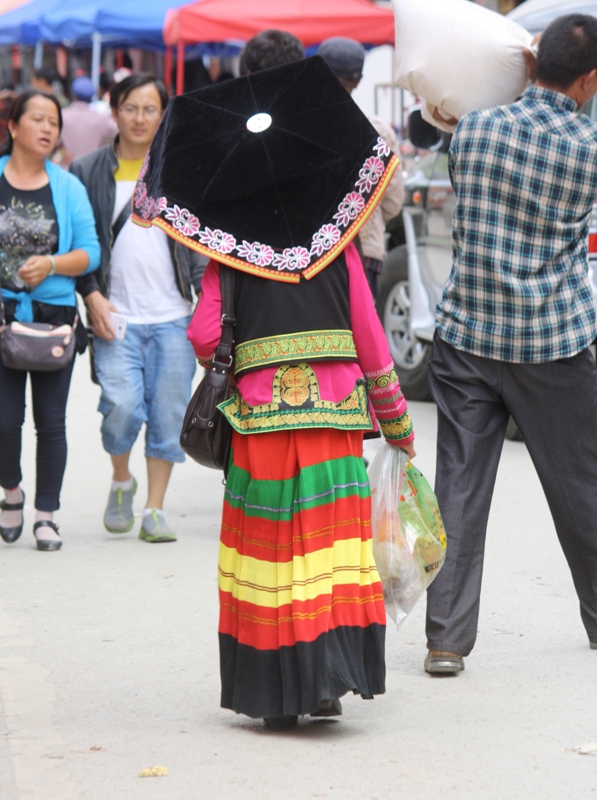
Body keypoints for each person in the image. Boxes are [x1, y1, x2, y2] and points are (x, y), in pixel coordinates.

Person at [151, 38, 415, 728]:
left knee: (269, 556)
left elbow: (207, 334)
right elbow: (370, 336)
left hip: (260, 422)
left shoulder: (226, 246)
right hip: (332, 420)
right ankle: (327, 681)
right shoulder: (340, 237)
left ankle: (276, 697)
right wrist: (397, 425)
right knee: (328, 552)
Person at [424, 13, 597, 675]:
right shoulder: (585, 147)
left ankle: (445, 641)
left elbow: (440, 112)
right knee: (580, 485)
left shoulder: (473, 129)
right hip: (552, 342)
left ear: (531, 64)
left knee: (458, 489)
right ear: (585, 80)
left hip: (465, 335)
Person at [72, 74, 205, 544]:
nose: (140, 118)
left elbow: (197, 248)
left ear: (163, 115)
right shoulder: (87, 171)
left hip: (173, 320)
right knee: (122, 408)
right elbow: (79, 242)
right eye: (131, 107)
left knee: (168, 415)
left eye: (151, 109)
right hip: (115, 317)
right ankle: (122, 479)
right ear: (115, 110)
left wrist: (207, 309)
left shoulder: (181, 170)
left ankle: (154, 509)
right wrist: (91, 294)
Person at [0, 90, 100, 551]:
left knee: (51, 421)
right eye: (37, 119)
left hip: (54, 324)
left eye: (53, 123)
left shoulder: (67, 186)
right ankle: (12, 491)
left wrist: (53, 265)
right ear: (13, 126)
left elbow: (91, 252)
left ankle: (46, 514)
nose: (46, 129)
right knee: (4, 420)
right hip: (3, 320)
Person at [318, 37, 404, 298]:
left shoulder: (302, 129)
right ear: (358, 80)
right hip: (366, 252)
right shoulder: (379, 132)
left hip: (314, 256)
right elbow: (392, 203)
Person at [56, 76, 117, 167]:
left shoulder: (61, 116)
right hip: (92, 170)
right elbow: (117, 135)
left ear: (73, 94)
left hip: (66, 169)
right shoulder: (102, 119)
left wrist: (61, 148)